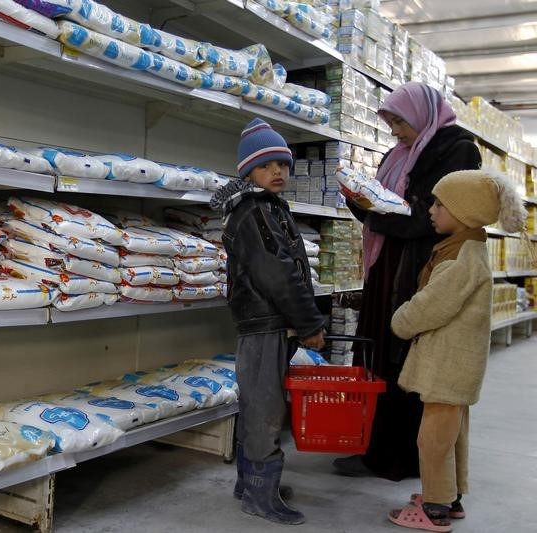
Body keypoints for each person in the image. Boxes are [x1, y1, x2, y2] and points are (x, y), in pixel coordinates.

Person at [334, 82, 482, 481]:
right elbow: (386, 209)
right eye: (390, 122)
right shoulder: (398, 155)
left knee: (409, 363)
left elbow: (431, 218)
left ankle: (404, 458)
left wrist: (377, 212)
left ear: (421, 113)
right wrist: (358, 199)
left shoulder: (457, 148)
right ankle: (373, 447)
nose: (395, 131)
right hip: (388, 269)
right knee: (379, 359)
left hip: (421, 272)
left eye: (399, 121)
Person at [387, 169, 529, 532]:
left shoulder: (459, 260)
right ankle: (452, 497)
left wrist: (400, 320)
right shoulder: (468, 248)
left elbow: (431, 305)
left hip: (447, 365)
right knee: (454, 434)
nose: (431, 210)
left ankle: (434, 508)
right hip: (457, 364)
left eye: (439, 203)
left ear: (464, 212)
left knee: (432, 439)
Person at [210, 118, 325, 525]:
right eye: (266, 165)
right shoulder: (254, 212)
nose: (278, 172)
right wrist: (310, 324)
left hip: (271, 323)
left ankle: (252, 483)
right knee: (264, 409)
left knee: (260, 403)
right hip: (263, 325)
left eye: (283, 164)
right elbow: (279, 275)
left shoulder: (268, 208)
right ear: (248, 172)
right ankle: (260, 495)